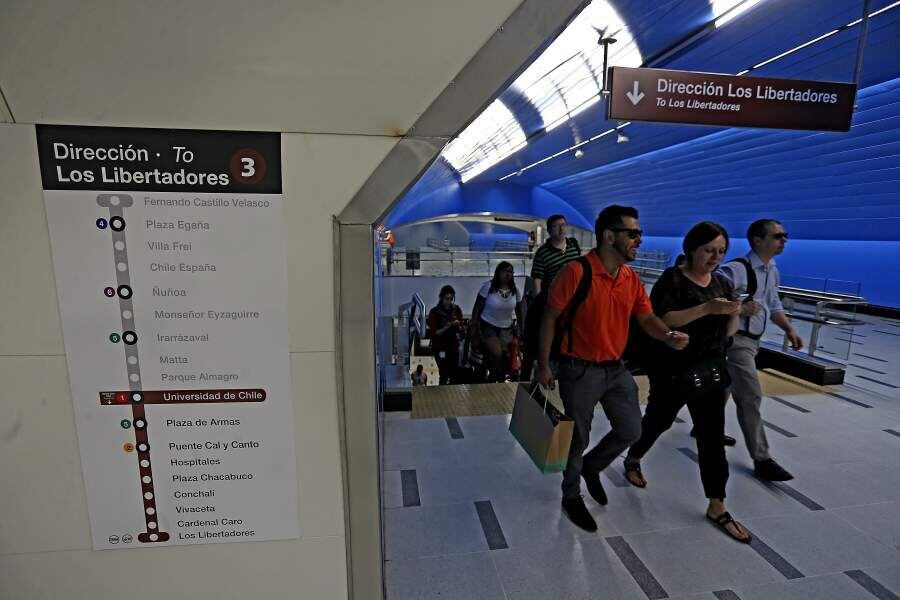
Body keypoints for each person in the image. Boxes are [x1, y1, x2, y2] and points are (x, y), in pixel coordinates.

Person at [536, 205, 689, 533]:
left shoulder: (630, 279)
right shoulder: (576, 272)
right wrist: (543, 364)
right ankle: (571, 494)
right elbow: (548, 318)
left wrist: (668, 335)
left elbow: (646, 318)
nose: (639, 240)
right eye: (632, 233)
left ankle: (594, 465)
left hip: (616, 370)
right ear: (609, 236)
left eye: (640, 233)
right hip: (579, 370)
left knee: (632, 430)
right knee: (578, 437)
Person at [623, 221, 751, 543]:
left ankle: (717, 504)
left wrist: (735, 313)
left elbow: (728, 331)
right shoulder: (673, 280)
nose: (715, 258)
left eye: (721, 251)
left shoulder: (722, 283)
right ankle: (634, 456)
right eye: (709, 250)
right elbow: (663, 319)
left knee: (711, 436)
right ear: (692, 248)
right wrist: (707, 308)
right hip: (672, 368)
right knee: (658, 421)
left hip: (709, 369)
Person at [719, 219, 802, 481]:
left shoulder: (771, 269)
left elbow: (773, 303)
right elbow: (713, 301)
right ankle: (762, 458)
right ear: (757, 240)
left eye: (784, 236)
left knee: (725, 387)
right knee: (751, 395)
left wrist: (789, 329)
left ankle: (705, 426)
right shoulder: (736, 270)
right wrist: (740, 310)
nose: (784, 240)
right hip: (737, 341)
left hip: (753, 341)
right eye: (778, 236)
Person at [522, 215, 582, 379]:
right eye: (557, 226)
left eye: (564, 225)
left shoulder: (573, 245)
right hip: (555, 300)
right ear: (549, 231)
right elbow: (537, 281)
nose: (562, 229)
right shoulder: (543, 253)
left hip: (574, 300)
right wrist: (542, 303)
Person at [471, 261, 523, 382]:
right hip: (487, 325)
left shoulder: (516, 291)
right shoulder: (488, 287)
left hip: (506, 328)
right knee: (497, 353)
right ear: (498, 273)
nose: (508, 274)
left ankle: (494, 378)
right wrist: (473, 326)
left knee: (504, 356)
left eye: (510, 272)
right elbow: (477, 307)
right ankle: (496, 375)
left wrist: (521, 329)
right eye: (505, 271)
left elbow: (520, 312)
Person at [427, 285, 464, 384]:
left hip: (453, 346)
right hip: (440, 347)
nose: (449, 301)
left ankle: (451, 395)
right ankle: (443, 394)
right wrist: (447, 326)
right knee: (443, 373)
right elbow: (434, 332)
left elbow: (461, 328)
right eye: (447, 299)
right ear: (441, 298)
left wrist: (458, 325)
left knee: (453, 373)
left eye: (451, 299)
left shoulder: (456, 310)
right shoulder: (434, 312)